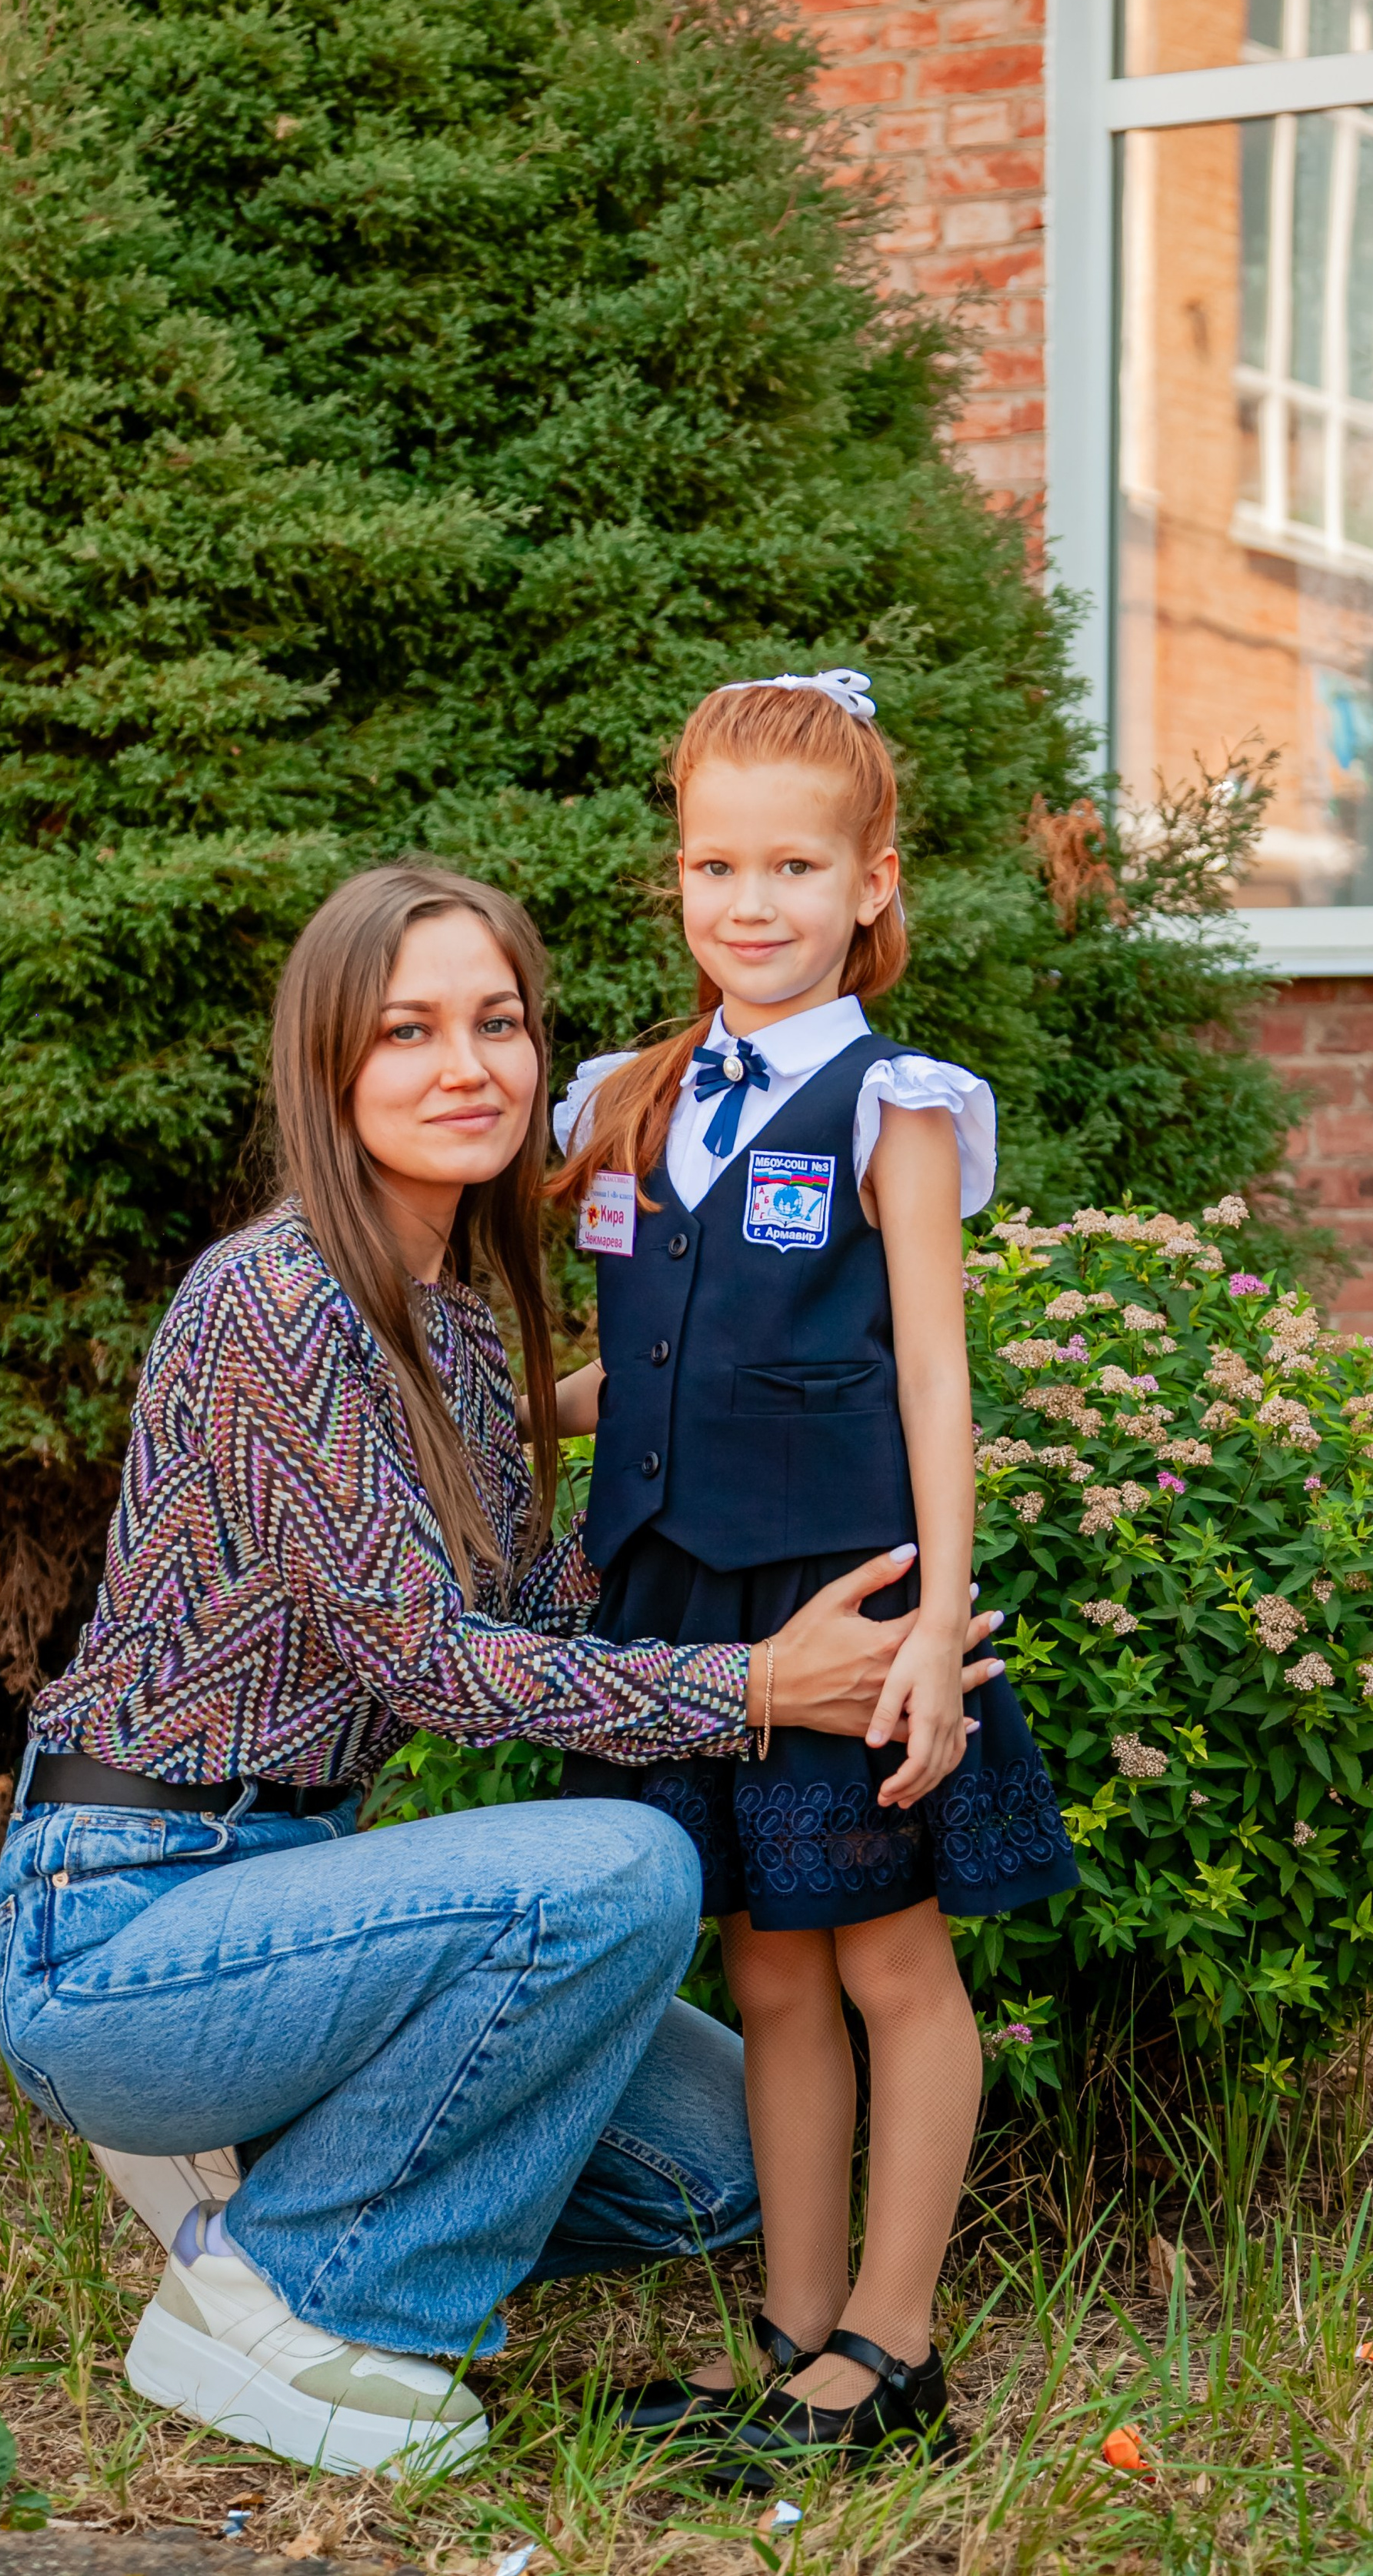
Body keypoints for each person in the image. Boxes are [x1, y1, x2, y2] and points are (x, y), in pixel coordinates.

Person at [0, 862, 1006, 2484]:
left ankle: (279, 2174)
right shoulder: (278, 1298)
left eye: (499, 1023)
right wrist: (752, 1684)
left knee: (721, 2159)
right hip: (127, 1914)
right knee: (620, 1867)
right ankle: (280, 2288)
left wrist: (746, 1482)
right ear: (328, 1069)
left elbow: (547, 1602)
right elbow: (439, 1663)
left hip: (302, 1883)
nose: (467, 1066)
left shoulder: (463, 1329)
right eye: (407, 1031)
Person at [551, 672, 1078, 2478]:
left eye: (791, 863)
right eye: (713, 863)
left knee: (885, 1963)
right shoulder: (618, 1102)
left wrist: (938, 1623)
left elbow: (933, 1368)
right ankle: (788, 2336)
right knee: (768, 1973)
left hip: (844, 1596)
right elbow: (651, 1355)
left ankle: (893, 2345)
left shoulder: (894, 1103)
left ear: (868, 882)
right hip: (678, 1602)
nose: (748, 902)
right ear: (676, 877)